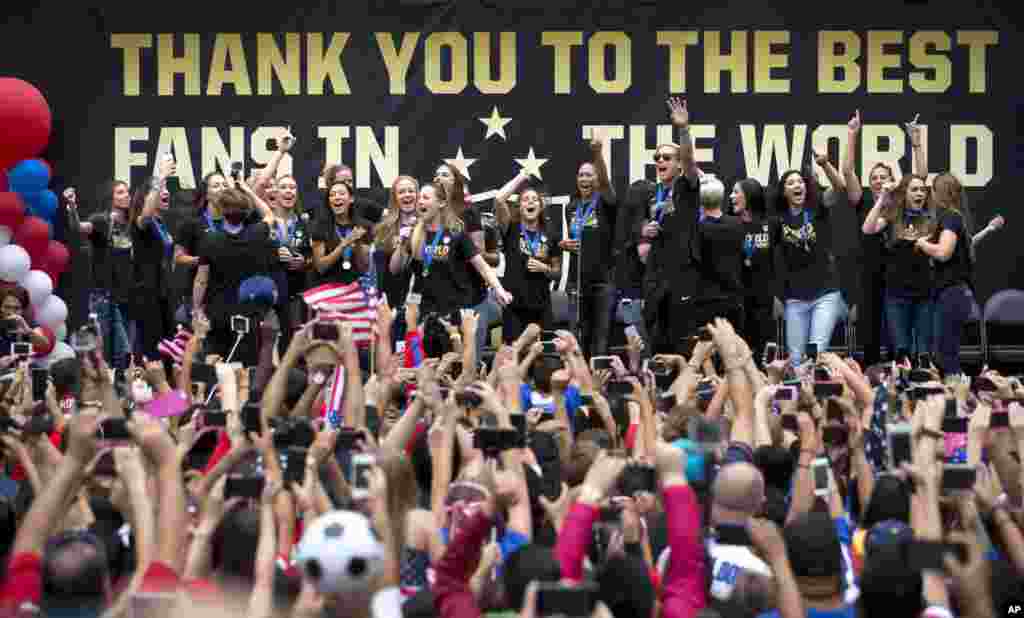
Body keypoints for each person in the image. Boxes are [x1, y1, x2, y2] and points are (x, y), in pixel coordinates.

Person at [392, 182, 511, 321]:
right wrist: (402, 243)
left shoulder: (456, 232)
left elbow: (482, 266)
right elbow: (395, 269)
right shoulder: (414, 233)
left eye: (425, 197)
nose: (420, 202)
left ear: (441, 203)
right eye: (419, 198)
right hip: (425, 310)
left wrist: (499, 289)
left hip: (454, 310)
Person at [550, 129, 617, 357]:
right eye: (581, 175)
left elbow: (607, 184)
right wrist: (563, 244)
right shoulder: (572, 207)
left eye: (589, 175)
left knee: (601, 336)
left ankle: (599, 384)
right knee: (578, 335)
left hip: (602, 282)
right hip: (577, 282)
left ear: (597, 179)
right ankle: (578, 381)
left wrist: (597, 154)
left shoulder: (606, 202)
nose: (585, 179)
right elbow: (559, 239)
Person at [643, 98, 701, 356]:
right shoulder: (651, 192)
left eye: (666, 157)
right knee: (656, 344)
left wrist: (684, 129)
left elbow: (689, 161)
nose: (660, 161)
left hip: (682, 277)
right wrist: (645, 231)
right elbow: (644, 227)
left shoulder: (687, 186)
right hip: (656, 278)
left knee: (682, 346)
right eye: (657, 158)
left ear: (678, 164)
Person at [192, 187, 276, 366]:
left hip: (219, 313)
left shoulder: (210, 240)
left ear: (222, 211)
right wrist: (249, 191)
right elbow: (269, 214)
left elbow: (201, 280)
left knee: (217, 365)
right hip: (248, 313)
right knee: (244, 368)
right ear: (246, 210)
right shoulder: (258, 233)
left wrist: (197, 308)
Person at [773, 167, 847, 365]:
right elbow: (775, 260)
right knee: (796, 359)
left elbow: (839, 188)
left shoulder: (817, 208)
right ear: (784, 192)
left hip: (825, 294)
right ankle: (800, 395)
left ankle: (816, 395)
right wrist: (777, 296)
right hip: (795, 298)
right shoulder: (778, 220)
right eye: (791, 183)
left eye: (800, 182)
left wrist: (825, 165)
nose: (797, 185)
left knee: (815, 354)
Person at [861, 174, 935, 359]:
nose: (919, 193)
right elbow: (867, 229)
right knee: (901, 351)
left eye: (922, 190)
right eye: (914, 189)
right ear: (905, 193)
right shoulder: (893, 215)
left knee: (923, 352)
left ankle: (924, 385)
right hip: (896, 294)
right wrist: (882, 200)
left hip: (924, 295)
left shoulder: (931, 219)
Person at [915, 173, 976, 376]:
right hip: (954, 294)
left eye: (931, 190)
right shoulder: (956, 217)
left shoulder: (950, 217)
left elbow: (943, 252)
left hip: (953, 294)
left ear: (938, 192)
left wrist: (924, 244)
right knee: (944, 354)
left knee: (945, 355)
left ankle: (960, 400)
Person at [494, 175, 559, 342]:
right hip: (514, 307)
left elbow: (557, 273)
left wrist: (545, 269)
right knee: (514, 357)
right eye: (525, 200)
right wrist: (520, 178)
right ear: (520, 206)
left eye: (535, 199)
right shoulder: (511, 228)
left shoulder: (550, 233)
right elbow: (499, 199)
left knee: (545, 358)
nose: (530, 202)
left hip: (541, 306)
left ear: (541, 205)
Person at [84, 179, 137, 374]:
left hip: (127, 296)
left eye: (127, 192)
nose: (126, 195)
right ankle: (103, 395)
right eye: (120, 192)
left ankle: (121, 397)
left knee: (125, 355)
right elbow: (79, 227)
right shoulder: (101, 220)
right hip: (104, 296)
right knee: (106, 352)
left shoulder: (132, 223)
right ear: (111, 197)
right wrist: (72, 207)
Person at [128, 156, 177, 361]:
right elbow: (146, 214)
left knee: (168, 346)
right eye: (160, 188)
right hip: (147, 293)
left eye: (167, 188)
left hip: (163, 291)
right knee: (152, 347)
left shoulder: (161, 223)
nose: (165, 192)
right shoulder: (141, 222)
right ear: (147, 196)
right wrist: (161, 175)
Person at [731, 178, 778, 362]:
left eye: (736, 192)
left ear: (749, 195)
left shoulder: (772, 225)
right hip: (739, 301)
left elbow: (780, 262)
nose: (731, 196)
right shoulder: (730, 225)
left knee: (762, 356)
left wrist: (778, 296)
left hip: (764, 301)